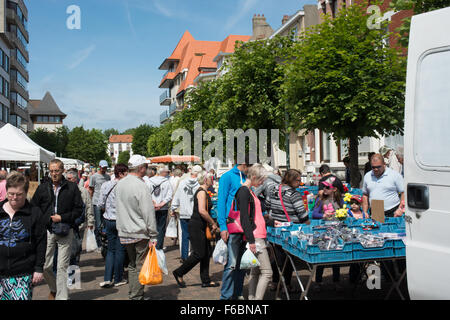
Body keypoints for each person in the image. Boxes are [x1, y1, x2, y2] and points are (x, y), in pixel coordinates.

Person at [31, 159, 83, 300]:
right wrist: (44, 220)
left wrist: (63, 217)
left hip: (66, 230)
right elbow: (34, 207)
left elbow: (79, 209)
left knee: (62, 267)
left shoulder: (71, 187)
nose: (54, 174)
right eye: (52, 171)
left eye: (57, 171)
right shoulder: (43, 187)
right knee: (45, 266)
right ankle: (54, 288)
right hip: (47, 231)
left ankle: (62, 297)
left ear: (62, 171)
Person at [116, 155, 158, 300]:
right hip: (139, 231)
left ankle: (134, 293)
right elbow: (148, 212)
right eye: (145, 166)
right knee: (139, 265)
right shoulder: (140, 185)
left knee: (133, 264)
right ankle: (136, 295)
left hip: (125, 231)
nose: (146, 169)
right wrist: (153, 234)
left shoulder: (120, 184)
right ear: (141, 168)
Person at [0, 172, 46, 300]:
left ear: (26, 193)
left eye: (19, 194)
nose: (14, 198)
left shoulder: (34, 213)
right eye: (11, 194)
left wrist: (38, 268)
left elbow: (41, 242)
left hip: (22, 273)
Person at [172, 171, 219, 288]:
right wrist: (212, 223)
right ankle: (179, 272)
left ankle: (206, 280)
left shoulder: (203, 191)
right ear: (205, 180)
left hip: (201, 225)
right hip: (197, 225)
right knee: (199, 253)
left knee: (207, 253)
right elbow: (202, 211)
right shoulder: (201, 192)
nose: (212, 180)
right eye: (211, 178)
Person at [266, 169, 309, 293]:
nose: (300, 183)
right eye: (298, 180)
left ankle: (275, 282)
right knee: (288, 258)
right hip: (290, 230)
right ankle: (287, 285)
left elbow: (268, 205)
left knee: (276, 256)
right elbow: (302, 213)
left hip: (275, 228)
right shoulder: (294, 194)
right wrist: (307, 225)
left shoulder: (274, 190)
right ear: (292, 180)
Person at [218, 159, 249, 300]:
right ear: (244, 165)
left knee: (243, 264)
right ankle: (226, 297)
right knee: (231, 264)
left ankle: (238, 293)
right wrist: (223, 226)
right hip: (233, 226)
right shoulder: (227, 177)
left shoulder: (249, 178)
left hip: (247, 227)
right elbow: (221, 202)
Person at [243, 164, 273, 300]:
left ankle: (251, 298)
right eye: (261, 180)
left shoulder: (249, 191)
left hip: (256, 234)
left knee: (255, 272)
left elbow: (251, 215)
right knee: (267, 272)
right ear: (254, 177)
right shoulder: (244, 191)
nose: (262, 183)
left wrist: (266, 219)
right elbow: (244, 218)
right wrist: (251, 240)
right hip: (256, 236)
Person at [99, 163, 129, 288]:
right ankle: (117, 278)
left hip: (108, 219)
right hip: (121, 220)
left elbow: (100, 204)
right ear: (121, 173)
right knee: (120, 250)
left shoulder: (106, 185)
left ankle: (107, 278)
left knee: (111, 250)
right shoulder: (125, 186)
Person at [311, 177, 343, 290]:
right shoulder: (320, 200)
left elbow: (344, 211)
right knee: (322, 257)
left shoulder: (340, 200)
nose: (324, 188)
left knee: (336, 257)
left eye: (327, 187)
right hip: (323, 231)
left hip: (337, 231)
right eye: (323, 186)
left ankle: (336, 281)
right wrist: (323, 215)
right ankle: (318, 281)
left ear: (334, 189)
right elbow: (314, 214)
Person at [171, 165, 202, 263]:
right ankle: (196, 255)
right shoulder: (199, 184)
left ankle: (184, 256)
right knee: (196, 236)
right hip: (195, 213)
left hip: (184, 212)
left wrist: (173, 208)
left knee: (185, 235)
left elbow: (177, 196)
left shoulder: (182, 182)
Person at [65, 170, 94, 272]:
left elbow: (89, 206)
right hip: (66, 225)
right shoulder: (64, 190)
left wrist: (90, 222)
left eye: (69, 179)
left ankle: (73, 274)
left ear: (75, 179)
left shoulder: (83, 191)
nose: (67, 180)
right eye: (66, 178)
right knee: (67, 250)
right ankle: (66, 273)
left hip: (79, 225)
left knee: (77, 249)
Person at [146, 165, 173, 251]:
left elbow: (146, 194)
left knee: (151, 227)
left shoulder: (149, 181)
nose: (168, 173)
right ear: (163, 172)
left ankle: (151, 247)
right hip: (163, 208)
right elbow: (169, 195)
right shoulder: (167, 182)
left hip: (152, 207)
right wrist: (161, 204)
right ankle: (158, 247)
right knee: (160, 229)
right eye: (167, 172)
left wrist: (153, 203)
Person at [89, 160, 111, 248]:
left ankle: (105, 242)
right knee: (98, 224)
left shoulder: (108, 177)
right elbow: (91, 189)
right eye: (103, 167)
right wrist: (91, 201)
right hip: (96, 202)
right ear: (99, 166)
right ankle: (98, 243)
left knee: (106, 222)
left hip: (105, 203)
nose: (104, 169)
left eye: (105, 167)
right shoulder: (94, 177)